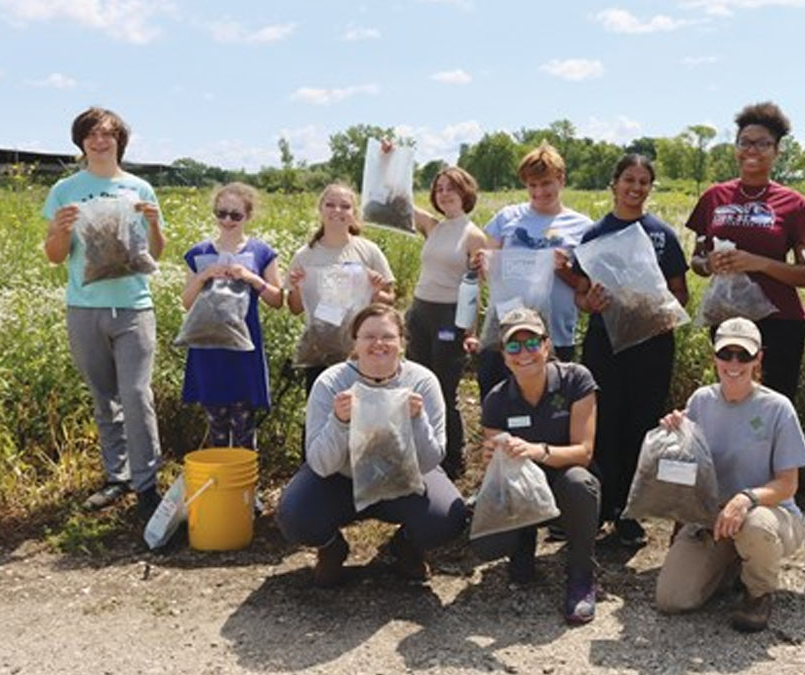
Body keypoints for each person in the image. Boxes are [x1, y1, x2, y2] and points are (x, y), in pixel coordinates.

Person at [276, 304, 467, 587]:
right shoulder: (331, 383)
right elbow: (319, 463)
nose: (379, 344)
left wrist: (417, 420)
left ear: (402, 342)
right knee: (295, 515)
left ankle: (405, 547)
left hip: (404, 478)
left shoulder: (422, 382)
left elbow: (430, 462)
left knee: (448, 518)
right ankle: (331, 548)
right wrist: (339, 422)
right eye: (368, 336)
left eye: (388, 337)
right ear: (355, 343)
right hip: (342, 479)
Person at [41, 107, 166, 520]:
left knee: (135, 394)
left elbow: (156, 252)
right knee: (104, 396)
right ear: (81, 142)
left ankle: (147, 485)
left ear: (119, 142)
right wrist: (60, 230)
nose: (99, 141)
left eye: (107, 135)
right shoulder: (65, 190)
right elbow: (55, 257)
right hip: (84, 307)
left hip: (133, 306)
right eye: (91, 135)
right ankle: (118, 477)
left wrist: (154, 227)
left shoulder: (139, 188)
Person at [654, 317, 805, 633]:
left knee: (755, 525)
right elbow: (689, 469)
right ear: (714, 357)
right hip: (712, 518)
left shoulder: (778, 408)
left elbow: (787, 484)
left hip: (769, 513)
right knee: (671, 599)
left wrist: (746, 499)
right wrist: (672, 433)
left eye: (744, 355)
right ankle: (730, 567)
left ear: (759, 359)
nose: (734, 363)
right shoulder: (700, 401)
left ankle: (758, 593)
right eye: (726, 354)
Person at [573, 154, 688, 547]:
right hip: (605, 344)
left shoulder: (663, 235)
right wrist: (592, 302)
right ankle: (599, 506)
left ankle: (629, 512)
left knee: (641, 424)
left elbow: (680, 293)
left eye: (643, 182)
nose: (635, 188)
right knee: (605, 421)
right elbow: (581, 294)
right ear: (614, 184)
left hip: (652, 345)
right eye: (628, 179)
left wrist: (657, 307)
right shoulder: (594, 234)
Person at [471, 308, 602, 625]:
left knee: (579, 484)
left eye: (532, 343)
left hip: (564, 477)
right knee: (487, 546)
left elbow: (583, 452)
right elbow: (494, 468)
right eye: (513, 347)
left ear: (547, 345)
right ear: (504, 357)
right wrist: (490, 457)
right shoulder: (496, 400)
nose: (524, 353)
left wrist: (536, 451)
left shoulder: (576, 380)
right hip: (521, 486)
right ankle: (522, 548)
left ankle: (582, 575)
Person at [685, 101, 805, 402]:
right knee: (732, 399)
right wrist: (708, 264)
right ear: (735, 147)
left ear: (777, 151)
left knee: (774, 406)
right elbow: (695, 259)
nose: (752, 150)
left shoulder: (793, 204)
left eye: (763, 144)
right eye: (745, 142)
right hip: (728, 318)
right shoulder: (714, 197)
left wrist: (757, 263)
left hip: (781, 321)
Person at [474, 142, 593, 398]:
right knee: (496, 401)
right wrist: (482, 263)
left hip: (554, 334)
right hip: (503, 330)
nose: (539, 191)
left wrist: (564, 268)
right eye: (532, 185)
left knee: (549, 409)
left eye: (546, 183)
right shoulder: (507, 217)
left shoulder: (583, 227)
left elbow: (585, 288)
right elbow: (487, 270)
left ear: (561, 180)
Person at [179, 183, 284, 450]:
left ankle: (246, 487)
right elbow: (186, 302)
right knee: (216, 427)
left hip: (244, 349)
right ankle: (222, 487)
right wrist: (204, 275)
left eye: (235, 215)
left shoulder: (262, 253)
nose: (227, 220)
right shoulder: (199, 253)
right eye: (221, 213)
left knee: (244, 427)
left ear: (248, 217)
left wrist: (252, 278)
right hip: (208, 348)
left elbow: (277, 299)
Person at [406, 166, 487, 479]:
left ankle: (453, 458)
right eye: (439, 188)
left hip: (448, 318)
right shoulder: (433, 226)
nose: (444, 194)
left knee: (443, 388)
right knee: (416, 384)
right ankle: (423, 451)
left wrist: (471, 330)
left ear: (465, 192)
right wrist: (389, 159)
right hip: (419, 313)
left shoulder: (473, 235)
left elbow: (474, 286)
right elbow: (398, 200)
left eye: (451, 187)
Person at [287, 182, 396, 394]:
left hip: (360, 350)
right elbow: (295, 308)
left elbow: (390, 300)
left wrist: (375, 291)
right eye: (330, 205)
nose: (337, 211)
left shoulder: (368, 251)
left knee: (360, 412)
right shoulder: (305, 255)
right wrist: (299, 287)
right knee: (320, 411)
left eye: (345, 206)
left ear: (354, 213)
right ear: (320, 210)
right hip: (318, 349)